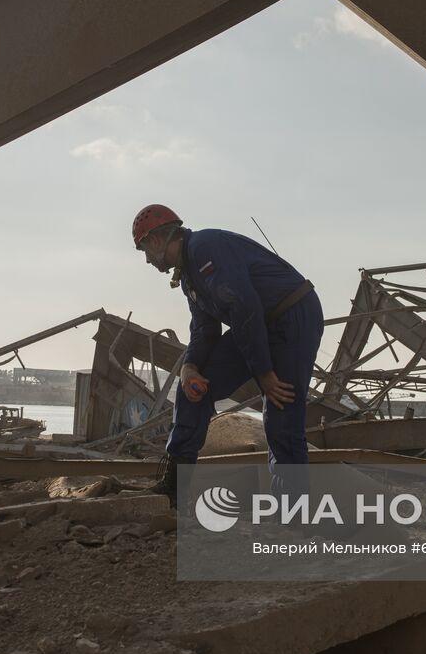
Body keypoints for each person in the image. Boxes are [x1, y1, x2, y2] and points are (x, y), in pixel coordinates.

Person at [131, 205, 322, 503]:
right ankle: (174, 486)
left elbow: (244, 308)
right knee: (193, 389)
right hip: (258, 325)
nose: (146, 259)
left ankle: (292, 507)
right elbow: (205, 330)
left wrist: (264, 374)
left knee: (280, 410)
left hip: (292, 316)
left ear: (156, 240)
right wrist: (190, 367)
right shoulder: (188, 278)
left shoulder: (206, 248)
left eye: (144, 249)